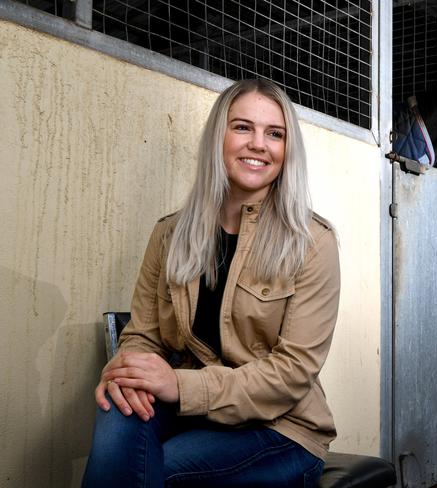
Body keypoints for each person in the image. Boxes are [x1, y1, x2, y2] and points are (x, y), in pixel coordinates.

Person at [82, 78, 341, 487]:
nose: (259, 143)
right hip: (196, 411)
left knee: (156, 473)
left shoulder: (312, 242)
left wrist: (180, 384)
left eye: (275, 134)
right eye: (242, 127)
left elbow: (293, 372)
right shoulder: (170, 234)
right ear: (217, 138)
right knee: (120, 406)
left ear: (287, 150)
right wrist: (125, 371)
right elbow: (144, 336)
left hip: (282, 429)